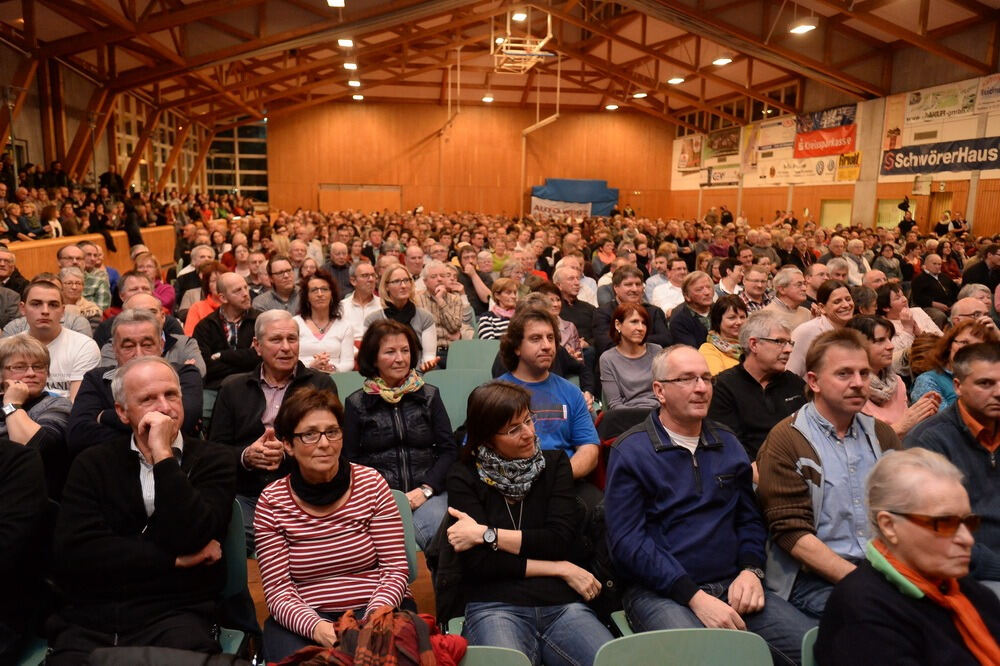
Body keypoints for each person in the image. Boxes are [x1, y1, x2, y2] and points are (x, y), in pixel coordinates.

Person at [606, 345, 812, 665]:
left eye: (706, 378)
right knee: (706, 659)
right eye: (687, 379)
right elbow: (628, 543)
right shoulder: (632, 451)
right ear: (659, 390)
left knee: (815, 646)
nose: (701, 388)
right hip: (662, 592)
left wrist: (750, 569)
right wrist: (694, 596)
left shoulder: (727, 442)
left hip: (734, 582)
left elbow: (749, 518)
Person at [47, 357, 235, 665]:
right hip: (92, 614)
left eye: (171, 395)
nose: (164, 407)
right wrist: (173, 560)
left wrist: (163, 456)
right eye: (148, 399)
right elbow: (76, 554)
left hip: (177, 612)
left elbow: (193, 535)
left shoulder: (214, 460)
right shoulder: (92, 463)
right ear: (122, 412)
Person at [444, 381, 614, 664]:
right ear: (486, 439)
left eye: (528, 421)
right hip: (494, 603)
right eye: (514, 429)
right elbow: (480, 564)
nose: (529, 434)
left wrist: (487, 535)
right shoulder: (463, 476)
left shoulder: (554, 464)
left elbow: (558, 540)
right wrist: (559, 568)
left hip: (561, 603)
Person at [254, 386, 411, 661]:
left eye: (332, 431)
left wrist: (371, 621)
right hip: (306, 617)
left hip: (377, 606)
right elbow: (278, 591)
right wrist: (319, 629)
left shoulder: (371, 484)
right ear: (288, 445)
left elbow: (395, 570)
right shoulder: (272, 501)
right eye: (310, 435)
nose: (324, 443)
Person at [756, 329, 901, 619]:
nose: (859, 384)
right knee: (886, 619)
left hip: (882, 569)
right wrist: (865, 583)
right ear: (814, 381)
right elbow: (792, 534)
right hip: (813, 579)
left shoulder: (881, 435)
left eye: (864, 373)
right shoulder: (787, 440)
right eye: (844, 374)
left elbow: (905, 511)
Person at [816, 448, 1000, 664]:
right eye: (944, 523)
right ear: (889, 526)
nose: (967, 539)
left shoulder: (961, 588)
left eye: (968, 523)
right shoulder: (862, 609)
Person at [210, 309, 338, 551]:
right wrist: (246, 456)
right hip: (247, 494)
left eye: (292, 339)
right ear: (257, 346)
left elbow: (332, 445)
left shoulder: (320, 384)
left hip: (302, 491)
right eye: (276, 340)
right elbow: (215, 451)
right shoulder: (233, 388)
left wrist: (288, 452)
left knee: (310, 533)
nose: (287, 347)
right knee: (236, 531)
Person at [342, 320, 455, 550]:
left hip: (429, 492)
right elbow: (349, 461)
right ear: (373, 358)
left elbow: (448, 450)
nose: (400, 359)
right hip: (378, 498)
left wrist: (425, 489)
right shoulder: (356, 403)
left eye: (405, 351)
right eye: (390, 352)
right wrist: (383, 496)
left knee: (438, 535)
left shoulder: (429, 396)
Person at [905, 343, 1000, 594]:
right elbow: (937, 534)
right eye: (985, 384)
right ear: (958, 387)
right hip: (967, 573)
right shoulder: (929, 441)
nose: (998, 392)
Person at [498, 307, 600, 501]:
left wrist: (556, 477)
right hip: (511, 487)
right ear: (517, 347)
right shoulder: (494, 393)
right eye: (536, 339)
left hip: (564, 482)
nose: (547, 346)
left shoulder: (571, 392)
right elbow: (478, 451)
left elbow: (589, 449)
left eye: (551, 338)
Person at [68, 309, 203, 455]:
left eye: (147, 345)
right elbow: (78, 435)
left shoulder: (185, 374)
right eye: (128, 346)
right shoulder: (97, 379)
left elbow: (182, 423)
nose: (138, 354)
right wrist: (148, 436)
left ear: (162, 345)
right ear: (114, 349)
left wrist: (106, 416)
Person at [708, 311, 807, 466]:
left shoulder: (795, 384)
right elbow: (729, 446)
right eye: (780, 341)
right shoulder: (723, 387)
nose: (789, 350)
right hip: (748, 474)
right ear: (754, 344)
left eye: (790, 343)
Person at [0, 335, 72, 496]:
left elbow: (36, 448)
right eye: (20, 367)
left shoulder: (58, 405)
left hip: (30, 496)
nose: (31, 373)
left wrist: (12, 403)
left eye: (39, 367)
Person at [844, 315, 940, 437]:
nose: (890, 346)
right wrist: (900, 427)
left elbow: (907, 431)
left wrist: (921, 416)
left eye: (889, 339)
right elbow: (855, 444)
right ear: (857, 347)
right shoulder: (849, 388)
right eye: (880, 341)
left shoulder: (896, 381)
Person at [17, 280, 100, 401]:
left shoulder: (84, 346)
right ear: (23, 309)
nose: (45, 311)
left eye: (53, 305)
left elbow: (77, 407)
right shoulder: (8, 348)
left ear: (62, 311)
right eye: (36, 304)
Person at [911, 320, 999, 411]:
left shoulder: (994, 377)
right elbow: (942, 421)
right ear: (949, 345)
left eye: (978, 346)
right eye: (964, 342)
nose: (970, 350)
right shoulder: (929, 380)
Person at [193, 273, 261, 389]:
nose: (245, 294)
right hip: (216, 387)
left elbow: (261, 358)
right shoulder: (205, 326)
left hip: (254, 383)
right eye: (237, 290)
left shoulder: (260, 320)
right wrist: (246, 358)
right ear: (223, 298)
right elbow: (205, 367)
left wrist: (222, 355)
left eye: (245, 287)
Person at [365, 264, 438, 369]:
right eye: (396, 281)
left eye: (406, 280)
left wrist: (421, 371)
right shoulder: (373, 320)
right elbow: (371, 358)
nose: (403, 285)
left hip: (418, 376)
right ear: (386, 286)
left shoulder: (425, 317)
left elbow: (428, 357)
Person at [593, 265, 671, 356]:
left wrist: (627, 340)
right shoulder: (603, 312)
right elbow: (606, 345)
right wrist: (642, 340)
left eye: (638, 284)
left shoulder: (654, 311)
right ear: (616, 288)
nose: (634, 289)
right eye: (628, 284)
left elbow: (666, 340)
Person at [786, 280, 855, 376]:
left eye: (848, 299)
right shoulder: (806, 332)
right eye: (837, 301)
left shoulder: (855, 329)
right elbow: (790, 374)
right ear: (822, 308)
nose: (846, 305)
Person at [600, 302, 661, 410]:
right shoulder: (607, 359)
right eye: (634, 322)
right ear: (618, 325)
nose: (641, 328)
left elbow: (666, 392)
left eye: (644, 323)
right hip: (626, 417)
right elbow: (615, 404)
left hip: (659, 413)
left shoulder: (657, 351)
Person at [293, 269, 354, 373]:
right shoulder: (295, 323)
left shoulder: (345, 326)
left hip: (335, 379)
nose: (320, 294)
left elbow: (348, 363)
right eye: (314, 290)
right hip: (302, 378)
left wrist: (331, 368)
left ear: (332, 295)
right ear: (307, 297)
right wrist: (311, 366)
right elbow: (289, 360)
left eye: (324, 289)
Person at [416, 260, 473, 365]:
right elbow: (420, 330)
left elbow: (454, 327)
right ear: (425, 282)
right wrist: (443, 333)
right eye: (434, 277)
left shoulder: (455, 299)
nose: (439, 279)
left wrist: (440, 301)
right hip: (427, 352)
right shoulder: (417, 300)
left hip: (452, 351)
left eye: (442, 275)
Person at [699, 295, 748, 376]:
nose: (739, 322)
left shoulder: (753, 345)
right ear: (718, 320)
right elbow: (718, 382)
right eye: (732, 318)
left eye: (742, 317)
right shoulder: (708, 349)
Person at [668, 271, 713, 348]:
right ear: (687, 296)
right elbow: (690, 351)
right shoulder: (679, 319)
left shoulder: (721, 309)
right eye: (699, 289)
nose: (707, 292)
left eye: (709, 287)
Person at [341, 261, 381, 344]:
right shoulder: (342, 307)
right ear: (353, 281)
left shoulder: (383, 305)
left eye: (373, 275)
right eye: (365, 276)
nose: (371, 279)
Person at [182, 261, 226, 336]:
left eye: (222, 279)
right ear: (207, 286)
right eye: (214, 281)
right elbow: (190, 339)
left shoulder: (236, 304)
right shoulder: (197, 308)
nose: (219, 284)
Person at [763, 267, 811, 332]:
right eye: (799, 285)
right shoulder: (767, 315)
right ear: (782, 289)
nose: (804, 288)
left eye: (804, 284)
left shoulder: (807, 312)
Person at [912, 253, 959, 318]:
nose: (937, 266)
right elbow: (918, 298)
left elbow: (955, 291)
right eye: (934, 264)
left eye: (939, 264)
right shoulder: (919, 279)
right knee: (939, 316)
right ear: (926, 264)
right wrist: (933, 304)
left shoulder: (944, 276)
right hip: (929, 307)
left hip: (949, 305)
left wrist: (955, 303)